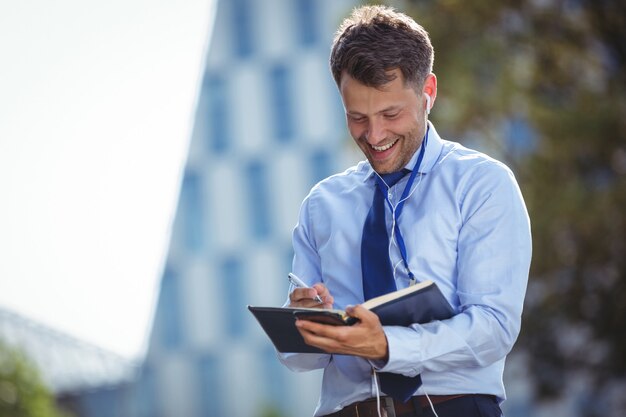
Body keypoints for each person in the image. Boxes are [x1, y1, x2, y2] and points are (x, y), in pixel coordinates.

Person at [278, 5, 532, 417]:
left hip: (451, 408)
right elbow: (299, 361)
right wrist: (306, 323)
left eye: (390, 114)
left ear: (428, 91)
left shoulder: (482, 184)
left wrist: (389, 347)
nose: (374, 135)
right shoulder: (321, 205)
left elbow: (493, 328)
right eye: (357, 117)